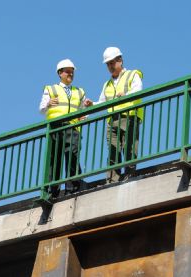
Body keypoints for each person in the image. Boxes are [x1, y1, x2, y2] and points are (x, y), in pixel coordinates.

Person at [39, 59, 92, 196]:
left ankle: (72, 187)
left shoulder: (79, 92)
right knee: (54, 159)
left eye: (72, 71)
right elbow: (41, 108)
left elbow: (83, 111)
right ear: (60, 73)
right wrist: (49, 103)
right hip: (56, 126)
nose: (71, 74)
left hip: (72, 127)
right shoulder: (51, 89)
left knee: (72, 154)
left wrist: (84, 114)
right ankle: (53, 190)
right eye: (67, 71)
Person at [97, 46, 143, 183]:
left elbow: (138, 90)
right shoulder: (107, 84)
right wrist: (90, 105)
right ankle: (112, 179)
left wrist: (126, 95)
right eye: (108, 64)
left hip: (129, 117)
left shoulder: (132, 74)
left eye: (112, 62)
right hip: (112, 121)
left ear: (120, 60)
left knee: (129, 147)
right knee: (113, 150)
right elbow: (101, 102)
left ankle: (130, 175)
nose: (110, 66)